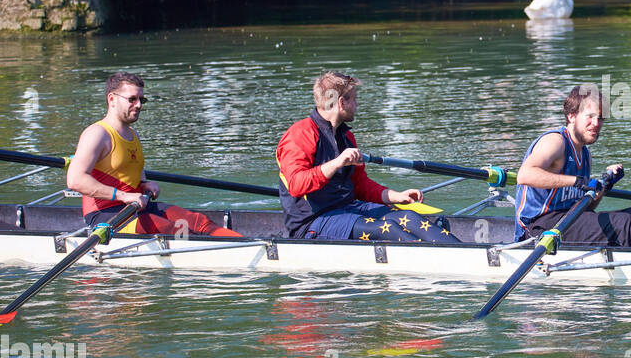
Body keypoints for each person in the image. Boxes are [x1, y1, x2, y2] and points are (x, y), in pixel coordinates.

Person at [277, 71, 458, 242]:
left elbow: (359, 185)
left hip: (349, 209)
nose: (357, 105)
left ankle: (472, 256)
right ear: (341, 103)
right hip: (313, 222)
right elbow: (295, 184)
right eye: (354, 100)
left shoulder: (346, 136)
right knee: (390, 229)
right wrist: (337, 162)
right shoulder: (299, 135)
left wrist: (394, 196)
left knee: (409, 217)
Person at [515, 84, 631, 247]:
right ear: (571, 116)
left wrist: (605, 186)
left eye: (601, 118)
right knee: (622, 224)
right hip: (538, 228)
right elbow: (524, 175)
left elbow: (586, 210)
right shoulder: (555, 142)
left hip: (569, 220)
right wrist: (578, 181)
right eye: (590, 116)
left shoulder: (585, 154)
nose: (596, 124)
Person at [67, 71, 241, 237]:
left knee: (198, 222)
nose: (139, 105)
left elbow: (130, 171)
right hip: (106, 216)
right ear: (112, 99)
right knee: (174, 230)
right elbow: (75, 180)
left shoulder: (133, 134)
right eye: (132, 99)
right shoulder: (97, 134)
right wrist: (123, 196)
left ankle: (248, 245)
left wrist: (144, 183)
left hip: (137, 206)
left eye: (142, 99)